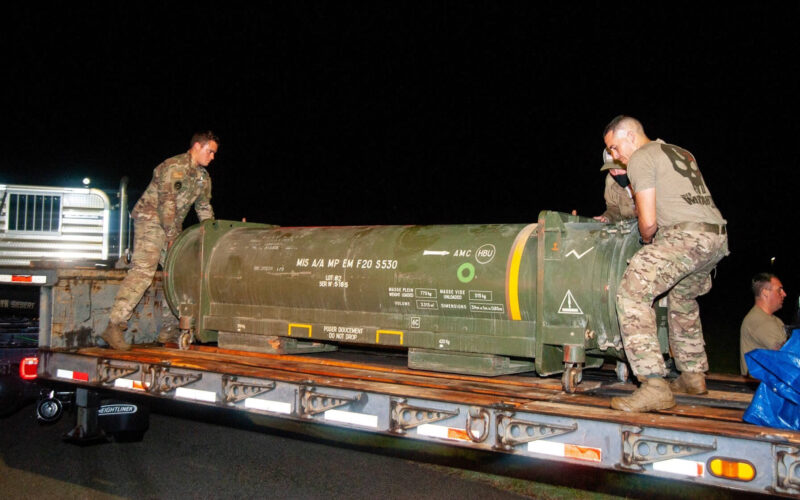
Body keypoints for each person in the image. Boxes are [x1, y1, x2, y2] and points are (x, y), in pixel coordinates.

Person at [603, 116, 729, 412]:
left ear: (630, 137)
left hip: (685, 237)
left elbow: (648, 222)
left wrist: (648, 241)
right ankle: (692, 374)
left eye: (615, 147)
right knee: (682, 299)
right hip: (715, 238)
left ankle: (653, 385)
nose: (615, 156)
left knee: (632, 293)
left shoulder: (640, 157)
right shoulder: (680, 151)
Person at [100, 131, 219, 350]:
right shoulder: (173, 167)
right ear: (197, 146)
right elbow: (167, 204)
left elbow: (203, 208)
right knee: (143, 270)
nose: (212, 157)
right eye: (210, 151)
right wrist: (174, 238)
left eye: (214, 153)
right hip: (150, 220)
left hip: (171, 226)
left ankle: (169, 330)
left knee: (176, 274)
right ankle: (114, 326)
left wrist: (212, 235)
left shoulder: (203, 178)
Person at [740, 273, 787, 375]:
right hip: (761, 386)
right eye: (779, 290)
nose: (784, 294)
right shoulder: (759, 321)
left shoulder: (775, 320)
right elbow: (786, 355)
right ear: (765, 292)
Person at [595, 149, 636, 223]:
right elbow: (614, 207)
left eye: (620, 168)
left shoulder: (645, 177)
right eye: (612, 169)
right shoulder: (611, 180)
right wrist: (608, 217)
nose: (616, 173)